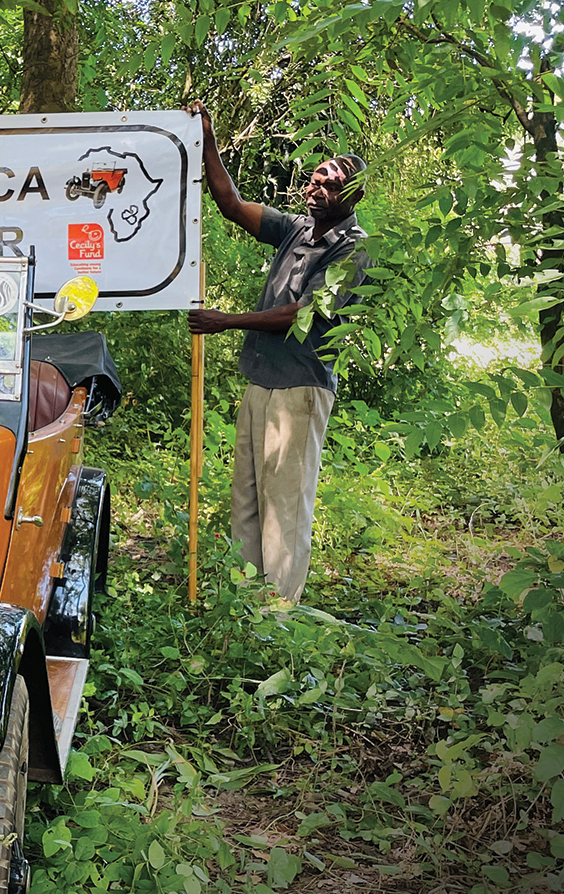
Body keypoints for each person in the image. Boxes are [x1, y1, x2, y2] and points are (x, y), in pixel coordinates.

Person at [186, 102, 369, 603]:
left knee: (283, 507)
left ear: (351, 194)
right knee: (245, 497)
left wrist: (226, 322)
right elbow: (230, 204)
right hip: (261, 380)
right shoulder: (297, 229)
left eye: (329, 182)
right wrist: (208, 139)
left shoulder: (353, 250)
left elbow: (303, 314)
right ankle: (244, 607)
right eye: (314, 178)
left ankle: (278, 616)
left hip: (300, 387)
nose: (316, 187)